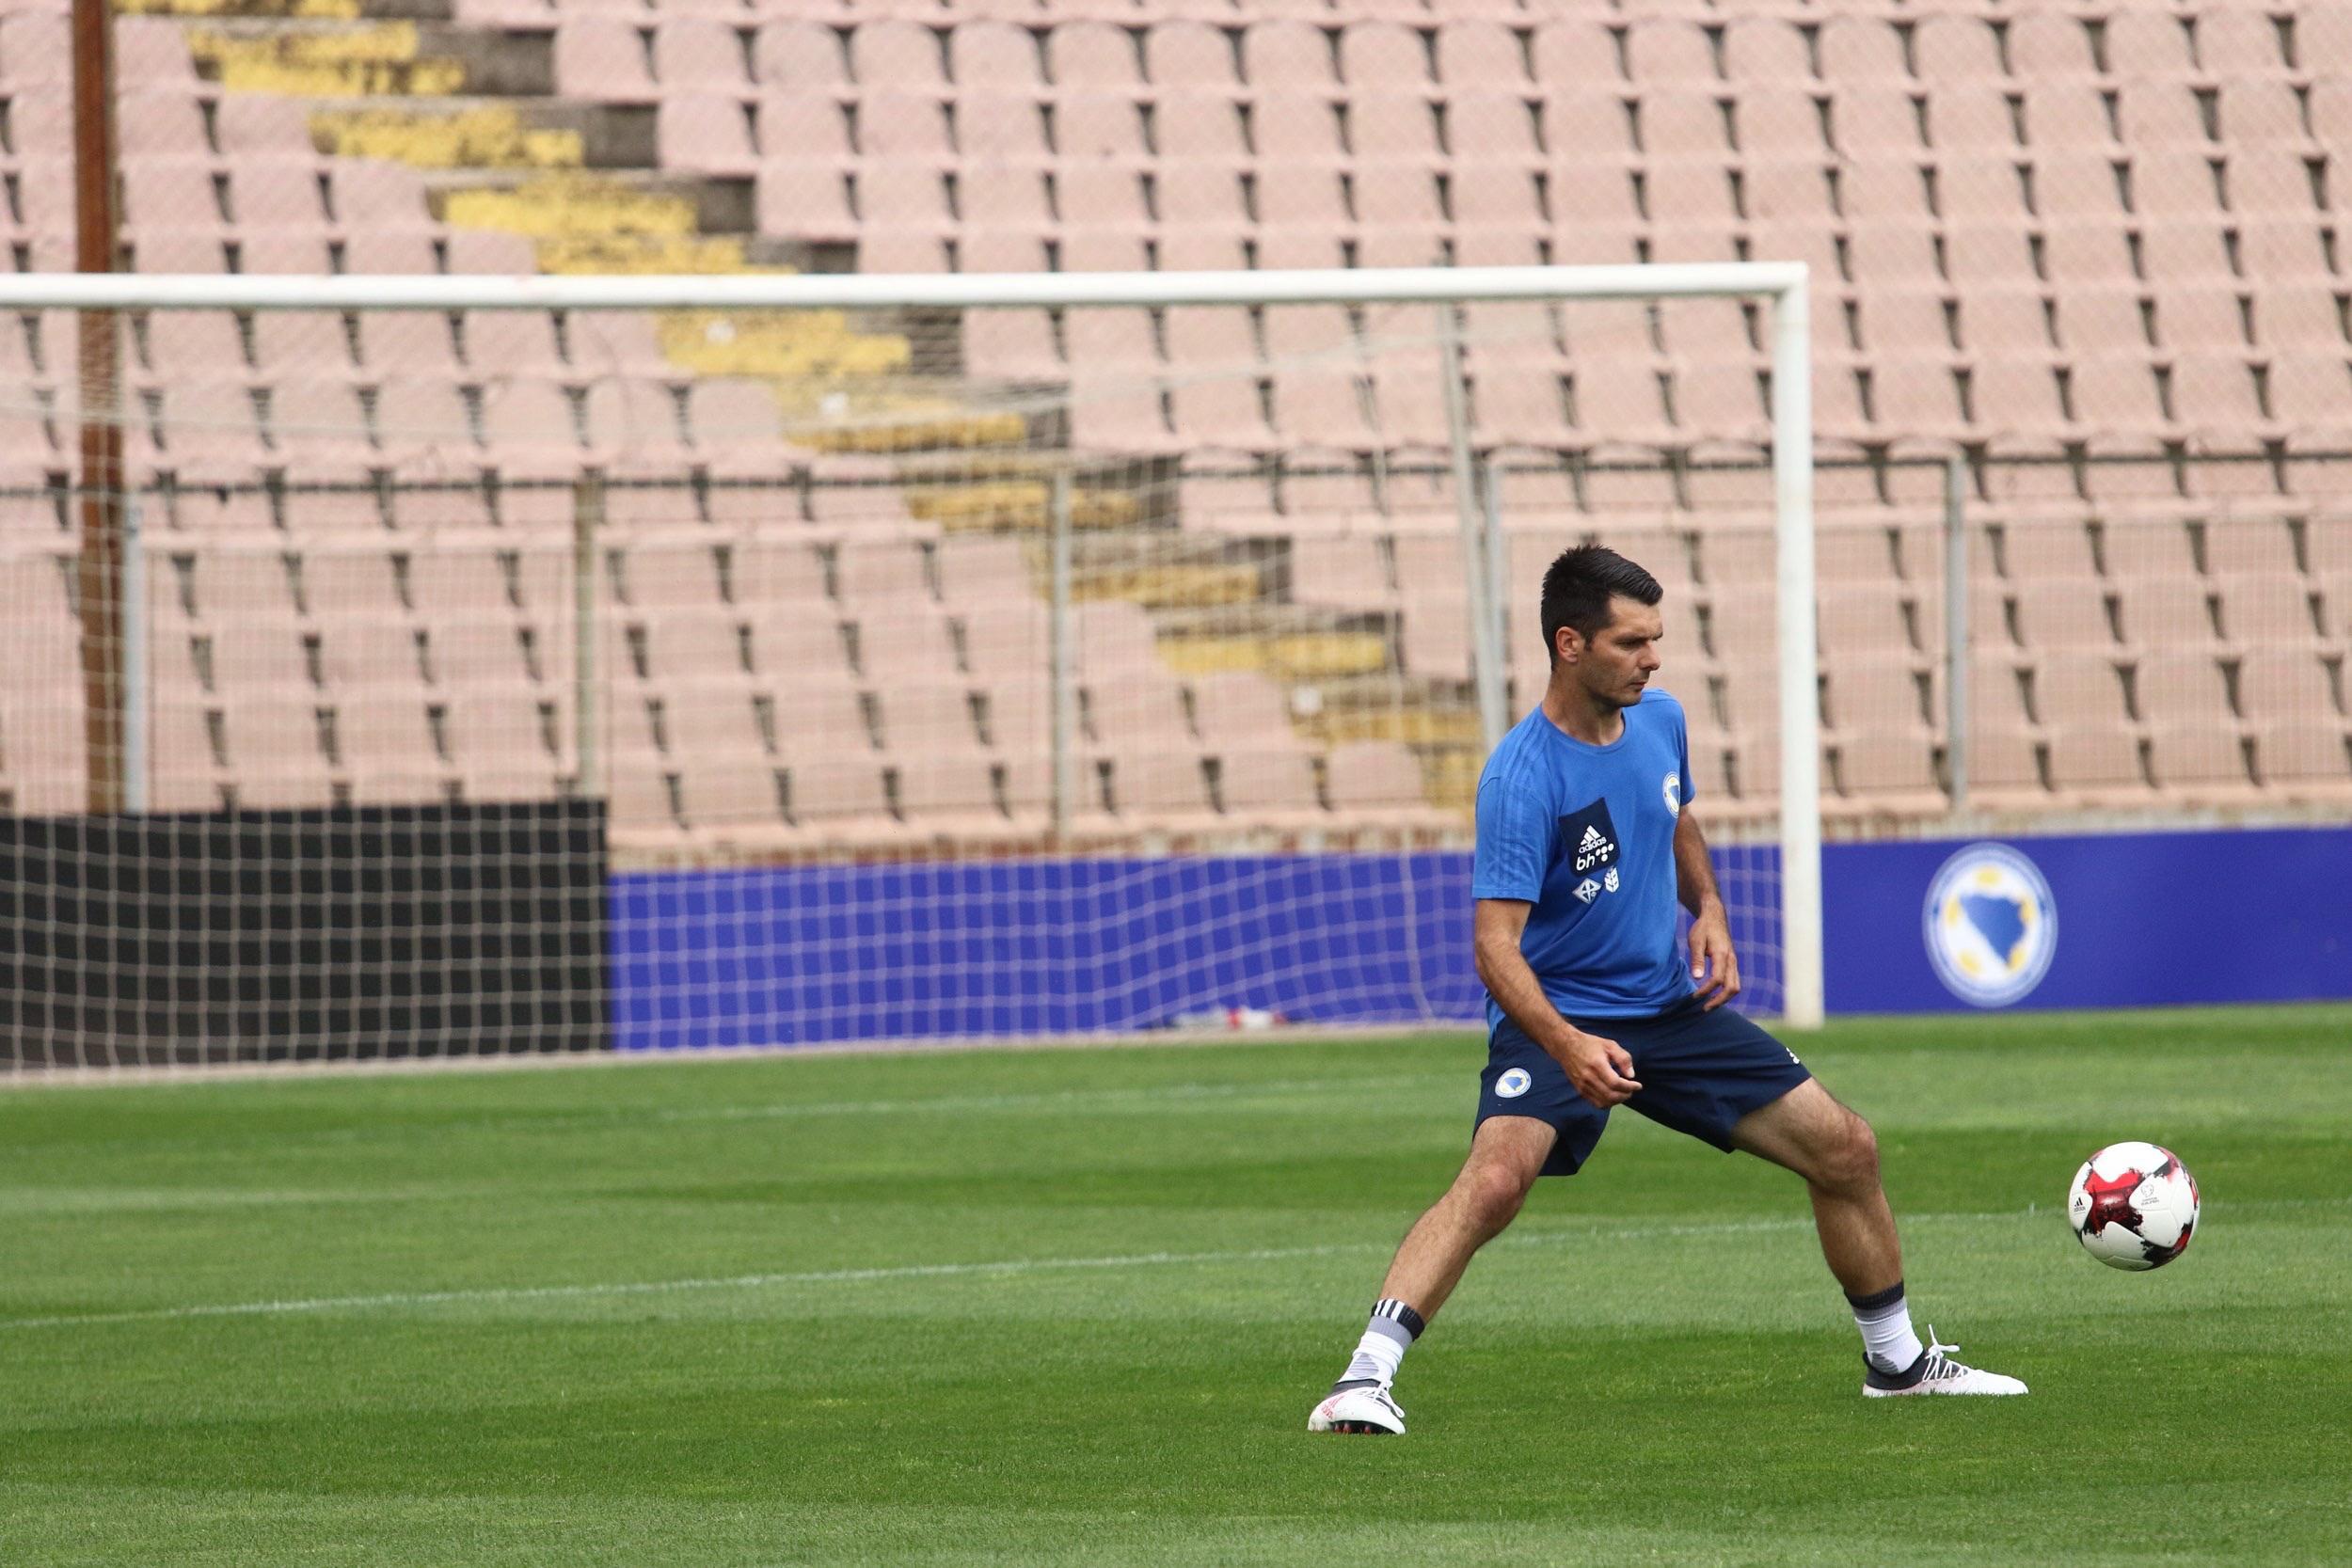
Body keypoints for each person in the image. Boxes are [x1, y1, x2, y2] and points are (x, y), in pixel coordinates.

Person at [1309, 546, 2026, 1435]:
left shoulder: (1661, 719)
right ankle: (1364, 1378)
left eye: (1657, 639)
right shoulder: (1522, 777)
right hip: (1559, 1018)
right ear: (1570, 644)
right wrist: (1568, 1044)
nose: (1653, 659)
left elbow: (1673, 812)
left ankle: (1898, 1363)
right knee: (1496, 1180)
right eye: (1632, 641)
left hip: (1668, 1011)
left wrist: (1710, 907)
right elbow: (1494, 950)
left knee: (1846, 1147)